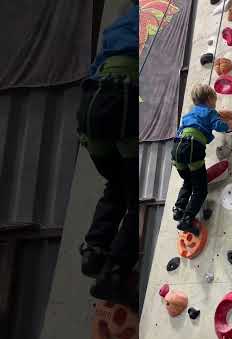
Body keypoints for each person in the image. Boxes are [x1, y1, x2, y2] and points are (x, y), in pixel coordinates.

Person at [77, 2, 139, 307]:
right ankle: (115, 271)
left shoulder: (117, 28)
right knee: (135, 195)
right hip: (121, 101)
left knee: (115, 185)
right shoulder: (160, 16)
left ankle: (94, 248)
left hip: (90, 110)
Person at [171, 84, 232, 235]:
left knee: (188, 181)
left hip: (177, 148)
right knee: (200, 189)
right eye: (215, 100)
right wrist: (229, 125)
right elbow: (219, 125)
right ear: (209, 100)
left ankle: (179, 209)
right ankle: (187, 219)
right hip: (193, 146)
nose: (215, 104)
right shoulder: (209, 111)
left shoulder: (190, 114)